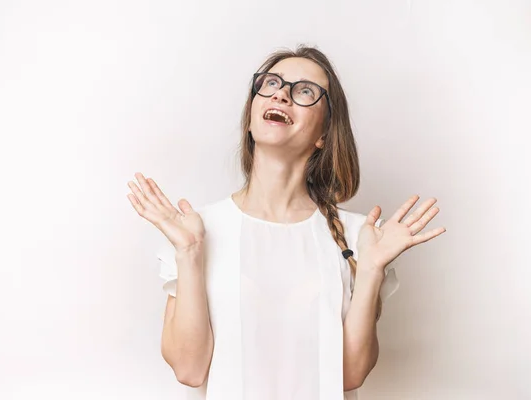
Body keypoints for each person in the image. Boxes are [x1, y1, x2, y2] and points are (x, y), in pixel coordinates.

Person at [126, 45, 446, 400]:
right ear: (251, 117)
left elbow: (350, 376)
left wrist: (371, 270)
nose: (280, 93)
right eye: (271, 83)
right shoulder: (196, 231)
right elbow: (189, 369)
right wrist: (188, 253)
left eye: (305, 90)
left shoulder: (360, 238)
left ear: (324, 133)